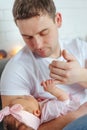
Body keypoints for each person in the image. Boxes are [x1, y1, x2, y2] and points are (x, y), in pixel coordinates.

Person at [0, 0, 87, 129]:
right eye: (28, 37)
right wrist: (77, 115)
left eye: (43, 33)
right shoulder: (15, 71)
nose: (38, 45)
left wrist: (81, 76)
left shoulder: (80, 47)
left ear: (58, 20)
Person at [0, 79, 80, 130]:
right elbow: (64, 100)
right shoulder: (48, 110)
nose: (26, 95)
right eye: (25, 98)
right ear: (37, 112)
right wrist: (53, 90)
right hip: (74, 108)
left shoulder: (35, 109)